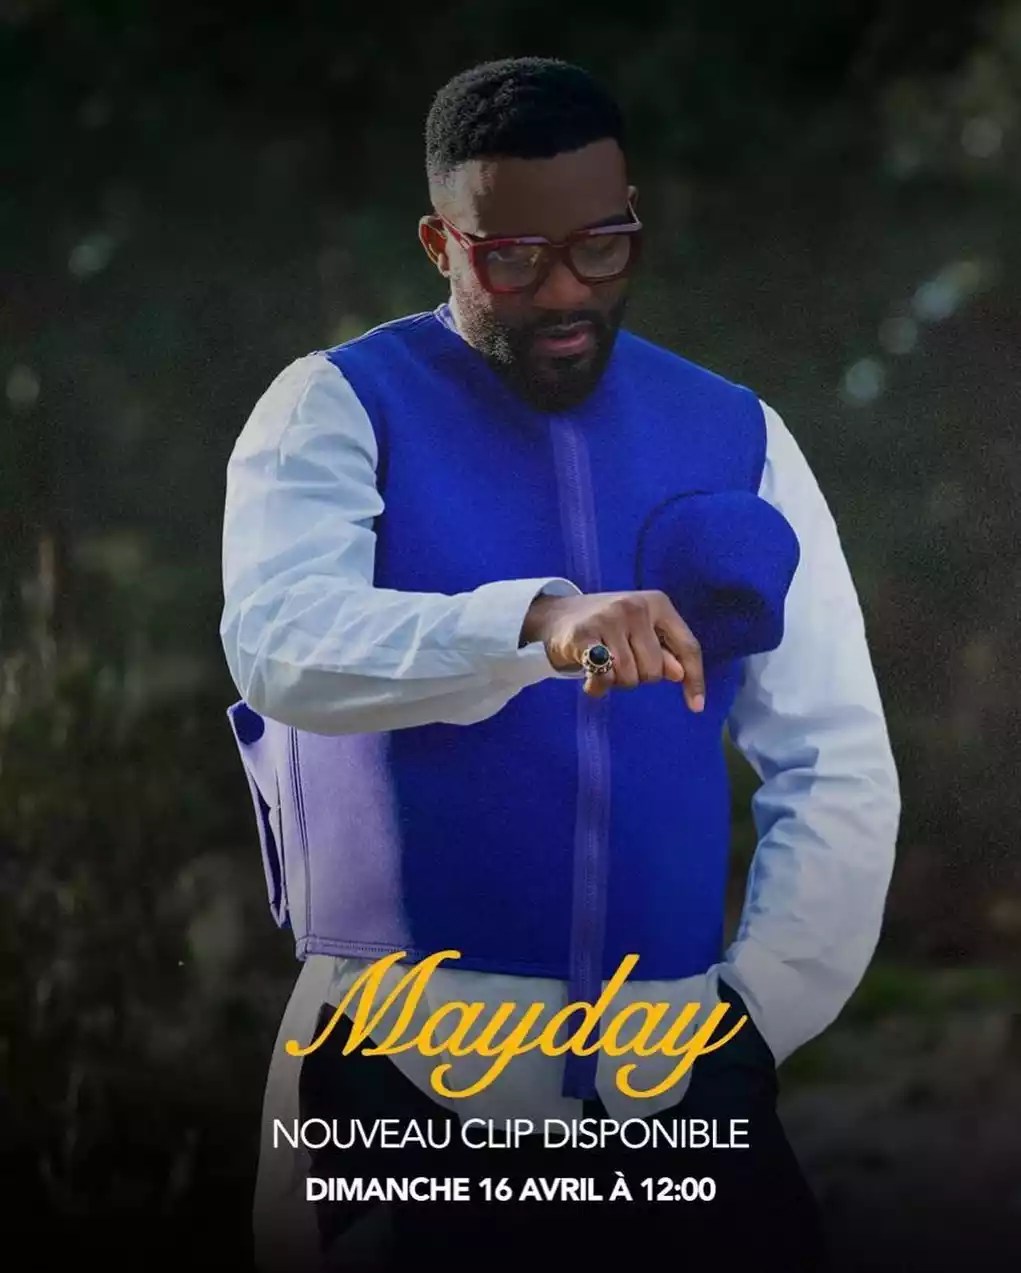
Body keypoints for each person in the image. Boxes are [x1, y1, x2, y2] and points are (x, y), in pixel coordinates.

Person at [219, 56, 900, 1272]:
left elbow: (835, 753)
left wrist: (758, 1015)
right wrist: (532, 624)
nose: (564, 289)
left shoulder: (740, 432)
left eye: (601, 245)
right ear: (440, 243)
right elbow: (280, 641)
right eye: (512, 258)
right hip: (397, 1071)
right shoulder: (331, 406)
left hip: (680, 1080)